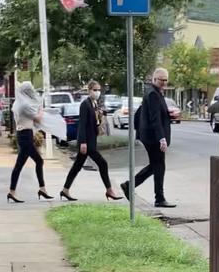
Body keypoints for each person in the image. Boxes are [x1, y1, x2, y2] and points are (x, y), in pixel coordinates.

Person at [121, 68, 176, 208]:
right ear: (154, 79)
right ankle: (159, 198)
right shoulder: (152, 94)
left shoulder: (155, 92)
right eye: (161, 80)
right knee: (158, 166)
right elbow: (154, 119)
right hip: (153, 138)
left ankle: (131, 185)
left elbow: (153, 114)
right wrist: (161, 139)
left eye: (166, 80)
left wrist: (169, 115)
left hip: (151, 136)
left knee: (156, 166)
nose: (164, 82)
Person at [60, 81, 123, 202]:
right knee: (103, 164)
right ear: (89, 90)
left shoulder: (94, 104)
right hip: (87, 143)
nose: (97, 92)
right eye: (95, 90)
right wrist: (83, 142)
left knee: (77, 166)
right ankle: (109, 190)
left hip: (91, 140)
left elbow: (95, 120)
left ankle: (65, 190)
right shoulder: (85, 104)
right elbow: (82, 124)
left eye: (99, 90)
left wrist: (101, 114)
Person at [7, 82, 53, 203]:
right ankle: (12, 191)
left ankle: (42, 189)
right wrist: (41, 109)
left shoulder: (18, 104)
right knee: (21, 165)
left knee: (36, 161)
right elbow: (38, 118)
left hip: (23, 135)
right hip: (25, 136)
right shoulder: (24, 106)